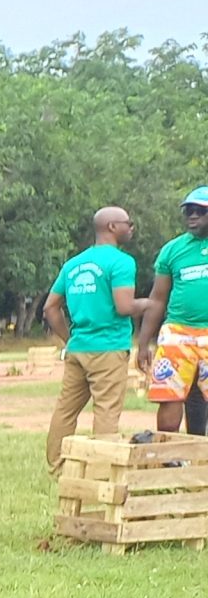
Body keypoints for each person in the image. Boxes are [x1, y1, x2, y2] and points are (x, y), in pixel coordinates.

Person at [43, 207, 139, 470]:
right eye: (127, 223)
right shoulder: (121, 262)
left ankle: (57, 466)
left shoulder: (73, 264)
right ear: (111, 227)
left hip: (79, 348)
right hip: (109, 348)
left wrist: (69, 337)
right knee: (106, 410)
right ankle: (101, 471)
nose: (131, 228)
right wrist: (151, 305)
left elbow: (50, 308)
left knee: (65, 410)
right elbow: (123, 306)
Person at [136, 187, 208, 437]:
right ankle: (169, 455)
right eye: (189, 211)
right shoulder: (172, 250)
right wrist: (143, 342)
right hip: (178, 331)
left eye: (200, 211)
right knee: (170, 394)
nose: (193, 216)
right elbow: (157, 299)